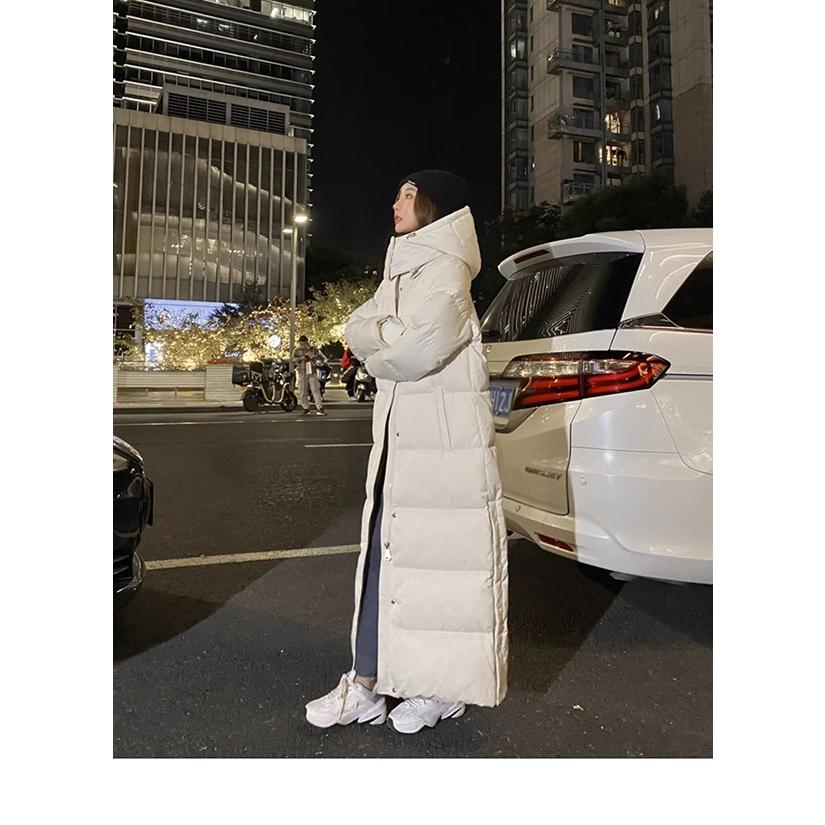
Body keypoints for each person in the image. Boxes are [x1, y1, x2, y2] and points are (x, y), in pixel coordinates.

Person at [305, 170, 509, 734]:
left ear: (434, 205)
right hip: (401, 445)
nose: (395, 202)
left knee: (439, 567)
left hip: (442, 449)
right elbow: (355, 327)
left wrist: (381, 341)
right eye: (397, 193)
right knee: (385, 559)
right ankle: (368, 681)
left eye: (408, 194)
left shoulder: (447, 271)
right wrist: (385, 334)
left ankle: (438, 688)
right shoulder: (401, 271)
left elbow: (416, 350)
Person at [293, 335, 326, 416]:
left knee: (315, 389)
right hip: (302, 371)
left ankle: (319, 407)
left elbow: (320, 356)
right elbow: (293, 359)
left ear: (307, 342)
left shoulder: (313, 349)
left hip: (312, 370)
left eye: (304, 343)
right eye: (301, 343)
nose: (303, 345)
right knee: (303, 390)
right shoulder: (297, 350)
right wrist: (302, 358)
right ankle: (306, 408)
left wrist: (312, 357)